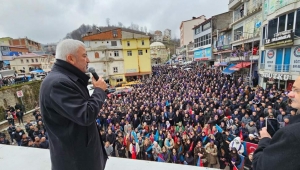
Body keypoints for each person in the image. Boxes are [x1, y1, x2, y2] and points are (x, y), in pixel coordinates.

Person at [39, 39, 108, 170]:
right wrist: (99, 91)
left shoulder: (68, 79)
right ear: (70, 58)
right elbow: (86, 115)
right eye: (84, 55)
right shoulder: (58, 84)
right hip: (75, 162)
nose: (88, 60)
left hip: (80, 158)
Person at [253, 76, 300, 170]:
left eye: (297, 90)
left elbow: (261, 165)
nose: (290, 94)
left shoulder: (291, 134)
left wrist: (264, 140)